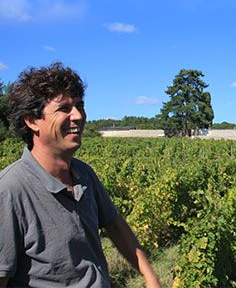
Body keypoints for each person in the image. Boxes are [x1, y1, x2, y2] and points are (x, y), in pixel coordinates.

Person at [0, 62, 161, 288]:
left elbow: (113, 223)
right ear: (32, 120)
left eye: (79, 105)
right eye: (64, 108)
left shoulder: (84, 174)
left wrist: (150, 277)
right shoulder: (10, 190)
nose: (77, 115)